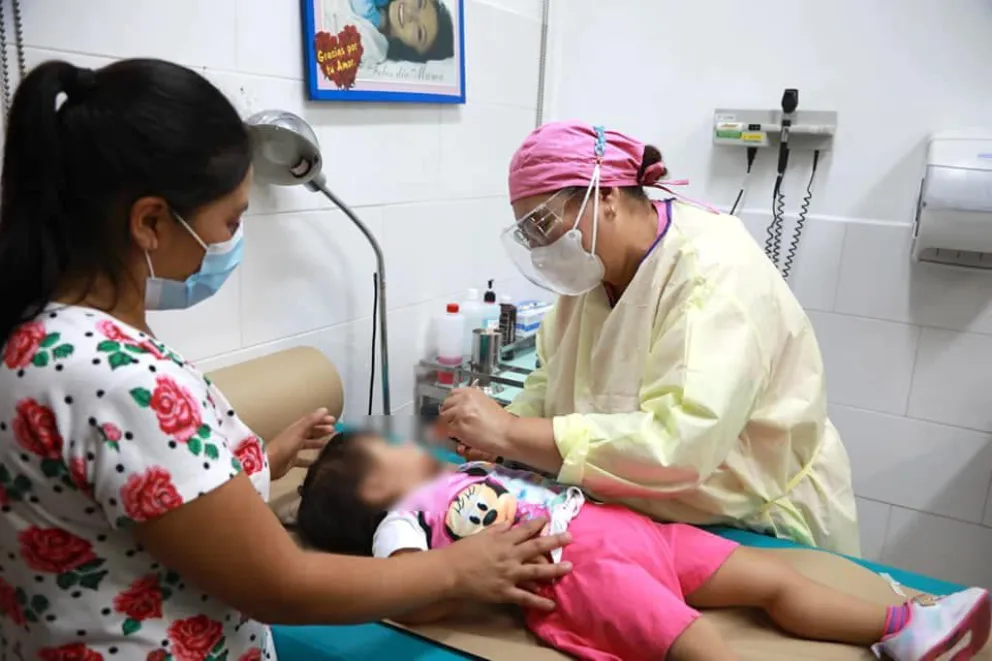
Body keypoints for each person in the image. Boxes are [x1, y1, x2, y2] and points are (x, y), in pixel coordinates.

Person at [0, 59, 570, 659]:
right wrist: (459, 568)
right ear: (149, 222)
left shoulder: (46, 338)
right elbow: (280, 584)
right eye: (231, 219)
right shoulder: (111, 376)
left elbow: (149, 492)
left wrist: (261, 456)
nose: (231, 239)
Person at [438, 120, 861, 556]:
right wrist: (500, 437)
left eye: (544, 224)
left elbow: (679, 444)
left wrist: (510, 431)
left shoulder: (712, 272)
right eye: (528, 234)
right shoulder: (593, 272)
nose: (541, 249)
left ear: (606, 195)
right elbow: (555, 376)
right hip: (641, 514)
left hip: (750, 522)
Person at [295, 430, 991, 661]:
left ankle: (901, 627)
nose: (406, 445)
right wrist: (456, 573)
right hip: (577, 574)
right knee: (702, 646)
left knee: (770, 578)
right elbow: (405, 586)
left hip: (635, 533)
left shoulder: (457, 470)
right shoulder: (403, 521)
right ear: (368, 493)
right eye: (388, 449)